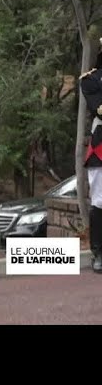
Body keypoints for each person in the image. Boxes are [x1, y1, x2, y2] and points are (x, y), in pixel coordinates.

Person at [79, 47, 102, 274]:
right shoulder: (91, 80)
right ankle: (99, 252)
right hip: (101, 146)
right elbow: (100, 109)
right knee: (100, 201)